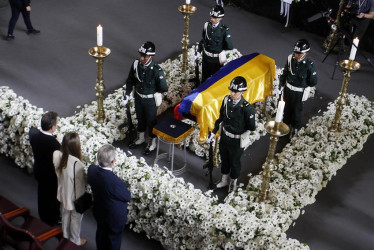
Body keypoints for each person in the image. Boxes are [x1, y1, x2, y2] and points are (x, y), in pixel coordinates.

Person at [206, 76, 256, 193]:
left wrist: (245, 136)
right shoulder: (226, 100)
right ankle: (223, 180)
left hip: (236, 141)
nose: (232, 93)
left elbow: (251, 127)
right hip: (225, 136)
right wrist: (213, 132)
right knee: (224, 159)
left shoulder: (247, 109)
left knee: (234, 162)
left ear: (242, 92)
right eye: (231, 91)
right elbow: (221, 117)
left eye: (235, 91)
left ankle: (233, 182)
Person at [123, 41, 169, 155]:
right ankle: (141, 137)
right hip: (138, 97)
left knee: (151, 121)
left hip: (150, 100)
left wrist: (157, 93)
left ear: (151, 56)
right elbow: (130, 81)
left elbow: (164, 87)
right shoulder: (136, 65)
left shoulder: (157, 71)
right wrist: (127, 94)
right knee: (140, 118)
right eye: (141, 55)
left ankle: (152, 142)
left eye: (145, 56)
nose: (142, 58)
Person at [87, 144, 131, 250]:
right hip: (113, 217)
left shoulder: (91, 170)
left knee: (101, 233)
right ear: (112, 162)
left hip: (99, 210)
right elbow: (127, 197)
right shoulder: (115, 182)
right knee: (113, 241)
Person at [53, 132, 87, 246]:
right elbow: (80, 186)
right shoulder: (78, 165)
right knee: (75, 220)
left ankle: (65, 236)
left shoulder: (57, 155)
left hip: (63, 193)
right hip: (74, 198)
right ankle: (75, 241)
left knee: (65, 215)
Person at [279, 39, 318, 137]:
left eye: (299, 54)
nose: (296, 55)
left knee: (296, 111)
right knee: (286, 109)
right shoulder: (290, 59)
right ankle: (285, 126)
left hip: (299, 93)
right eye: (295, 53)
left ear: (306, 53)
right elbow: (285, 72)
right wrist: (281, 85)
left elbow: (313, 81)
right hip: (288, 90)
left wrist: (304, 86)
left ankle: (295, 128)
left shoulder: (309, 66)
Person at [29, 111, 61, 226]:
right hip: (51, 176)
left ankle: (43, 215)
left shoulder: (34, 135)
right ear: (52, 127)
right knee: (52, 197)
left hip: (39, 170)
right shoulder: (55, 145)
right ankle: (52, 219)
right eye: (56, 124)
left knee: (42, 194)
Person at [197, 5, 234, 83]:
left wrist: (219, 50)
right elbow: (204, 39)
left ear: (220, 18)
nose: (212, 19)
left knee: (215, 80)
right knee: (204, 78)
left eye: (215, 18)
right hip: (206, 57)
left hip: (216, 60)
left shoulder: (224, 30)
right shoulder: (207, 25)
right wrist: (199, 50)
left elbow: (230, 46)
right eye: (211, 17)